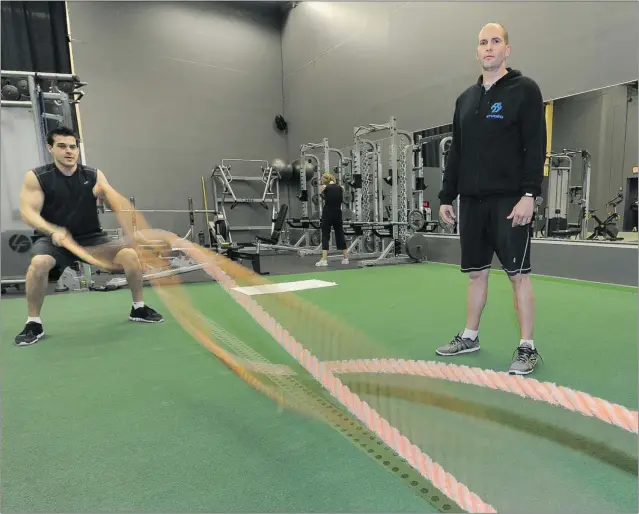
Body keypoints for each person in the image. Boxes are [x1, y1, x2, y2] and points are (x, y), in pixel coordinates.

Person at [436, 22, 546, 375]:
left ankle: (527, 347)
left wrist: (530, 194)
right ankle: (470, 336)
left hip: (510, 200)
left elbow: (536, 145)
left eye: (495, 41)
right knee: (476, 274)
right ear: (477, 51)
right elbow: (457, 152)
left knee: (518, 275)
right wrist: (446, 195)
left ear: (507, 49)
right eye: (483, 42)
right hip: (472, 201)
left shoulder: (524, 90)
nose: (488, 47)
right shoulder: (465, 100)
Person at [14, 126, 164, 347]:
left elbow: (110, 197)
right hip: (54, 240)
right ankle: (33, 323)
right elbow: (27, 213)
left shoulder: (93, 174)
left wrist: (111, 200)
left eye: (73, 146)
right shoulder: (38, 176)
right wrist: (53, 230)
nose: (69, 151)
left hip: (91, 238)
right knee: (39, 263)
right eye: (62, 146)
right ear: (50, 148)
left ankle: (139, 308)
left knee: (130, 256)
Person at [315, 172, 349, 267]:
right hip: (338, 213)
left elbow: (320, 196)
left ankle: (324, 260)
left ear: (324, 180)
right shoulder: (340, 188)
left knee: (325, 235)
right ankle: (346, 258)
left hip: (328, 213)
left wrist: (322, 190)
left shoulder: (324, 187)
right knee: (340, 233)